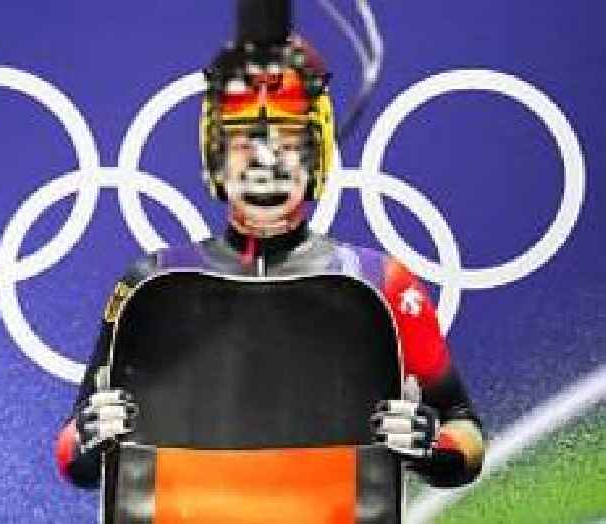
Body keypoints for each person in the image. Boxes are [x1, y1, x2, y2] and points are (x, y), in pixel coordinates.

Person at [56, 20, 485, 523]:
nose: (266, 161)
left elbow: (467, 436)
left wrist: (431, 445)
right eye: (244, 141)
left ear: (317, 150)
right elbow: (73, 456)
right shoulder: (148, 282)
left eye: (288, 140)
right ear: (215, 153)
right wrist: (89, 435)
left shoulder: (382, 283)